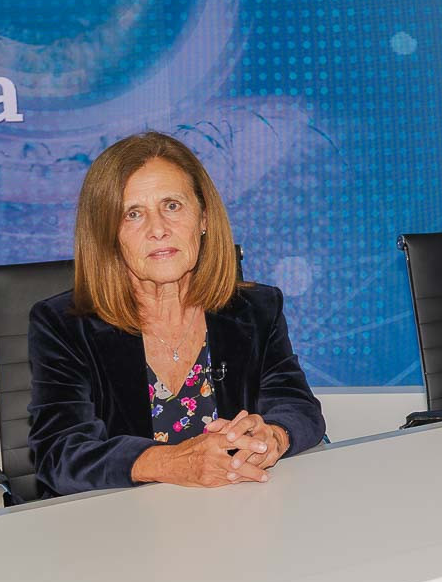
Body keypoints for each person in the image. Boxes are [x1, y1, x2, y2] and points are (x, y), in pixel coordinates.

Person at [26, 132, 326, 498]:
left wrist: (272, 436)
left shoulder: (257, 310)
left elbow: (299, 408)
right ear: (108, 235)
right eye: (133, 214)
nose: (158, 230)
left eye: (172, 205)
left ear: (203, 217)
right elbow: (59, 453)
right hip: (118, 522)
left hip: (239, 510)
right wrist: (171, 462)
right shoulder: (64, 325)